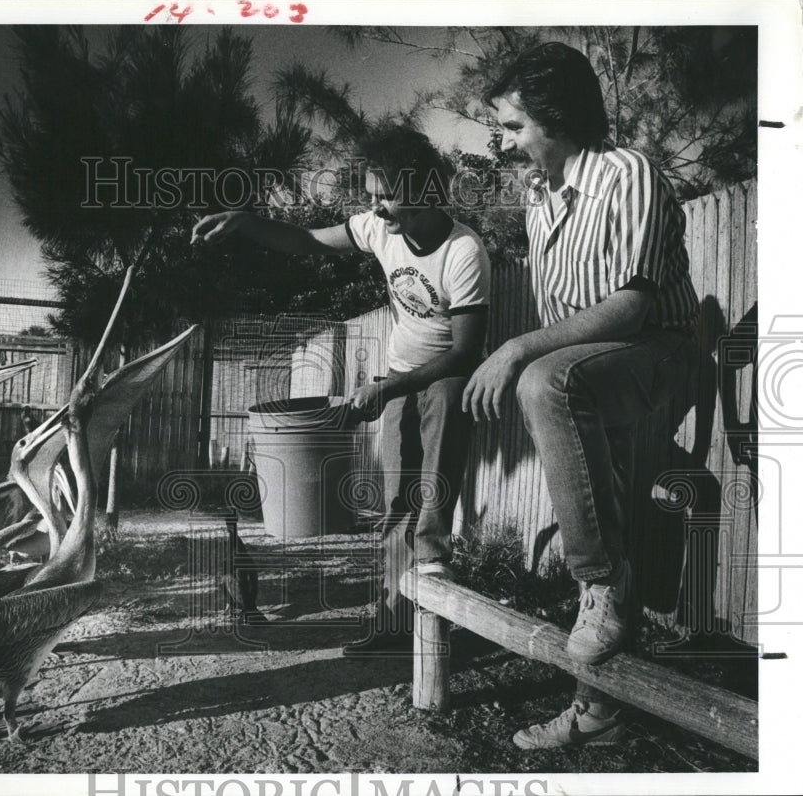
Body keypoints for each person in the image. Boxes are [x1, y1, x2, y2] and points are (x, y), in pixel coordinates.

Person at [462, 42, 700, 747]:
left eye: (512, 127)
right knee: (601, 500)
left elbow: (630, 308)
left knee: (543, 377)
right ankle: (596, 712)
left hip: (659, 353)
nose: (503, 143)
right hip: (596, 370)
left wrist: (515, 351)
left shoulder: (627, 175)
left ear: (557, 116)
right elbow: (564, 322)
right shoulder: (540, 200)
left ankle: (600, 582)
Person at [192, 125, 491, 655]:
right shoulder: (382, 231)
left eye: (387, 197)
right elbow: (306, 240)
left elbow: (466, 352)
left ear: (423, 193)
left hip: (444, 383)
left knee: (432, 505)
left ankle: (433, 622)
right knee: (397, 504)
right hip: (398, 379)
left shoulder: (464, 251)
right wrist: (245, 222)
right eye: (372, 195)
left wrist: (393, 384)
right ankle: (393, 626)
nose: (376, 209)